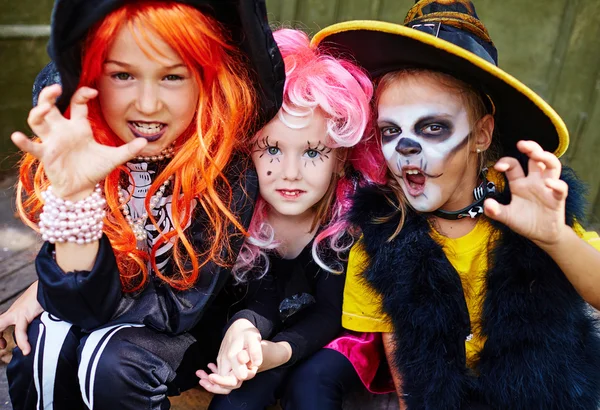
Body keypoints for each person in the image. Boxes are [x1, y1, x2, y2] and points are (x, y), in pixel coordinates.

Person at [304, 1, 600, 409]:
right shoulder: (382, 234)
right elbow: (407, 366)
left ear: (481, 134)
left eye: (432, 127)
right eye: (392, 130)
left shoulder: (530, 203)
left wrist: (555, 239)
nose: (406, 151)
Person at [2, 0, 285, 408]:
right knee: (44, 345)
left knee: (113, 360)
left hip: (185, 332)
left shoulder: (228, 171)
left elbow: (178, 311)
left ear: (205, 79)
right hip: (106, 307)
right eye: (123, 74)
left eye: (172, 76)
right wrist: (76, 194)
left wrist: (49, 293)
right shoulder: (80, 151)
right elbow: (73, 303)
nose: (148, 104)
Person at [195, 28, 374, 410]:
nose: (290, 172)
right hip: (258, 340)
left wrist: (276, 351)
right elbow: (256, 295)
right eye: (272, 149)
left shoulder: (349, 224)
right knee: (237, 399)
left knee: (310, 390)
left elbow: (330, 312)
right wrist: (245, 330)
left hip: (331, 342)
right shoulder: (237, 210)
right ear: (247, 149)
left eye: (312, 153)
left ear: (341, 158)